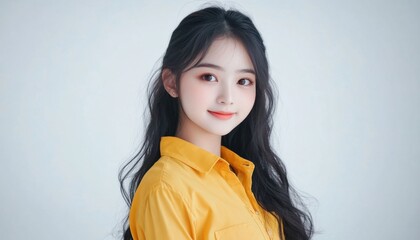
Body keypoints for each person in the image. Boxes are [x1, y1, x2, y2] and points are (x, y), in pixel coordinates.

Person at [119, 5, 313, 240]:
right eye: (209, 77)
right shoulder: (166, 188)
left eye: (243, 81)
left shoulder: (249, 177)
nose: (228, 98)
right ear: (171, 82)